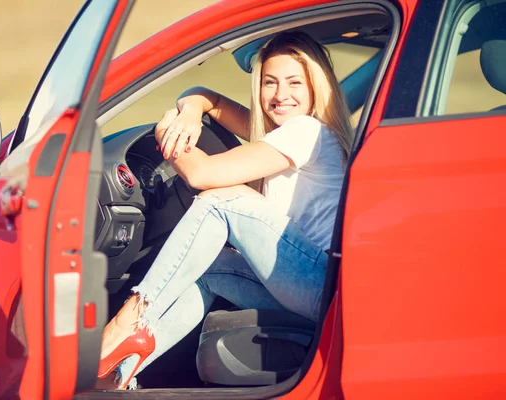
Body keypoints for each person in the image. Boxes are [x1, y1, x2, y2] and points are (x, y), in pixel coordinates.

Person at [96, 30, 353, 390]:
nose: (280, 95)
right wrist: (189, 110)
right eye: (269, 82)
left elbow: (203, 175)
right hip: (310, 291)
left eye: (295, 82)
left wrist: (167, 130)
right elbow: (208, 98)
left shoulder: (306, 131)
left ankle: (127, 320)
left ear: (316, 88)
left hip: (319, 283)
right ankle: (117, 374)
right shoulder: (282, 130)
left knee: (219, 203)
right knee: (205, 267)